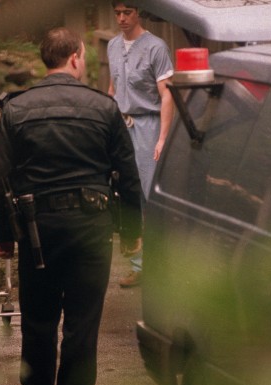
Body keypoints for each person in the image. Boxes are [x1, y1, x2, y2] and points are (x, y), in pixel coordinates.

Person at [0, 27, 143, 385]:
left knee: (37, 321)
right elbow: (127, 174)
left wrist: (1, 234)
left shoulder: (16, 109)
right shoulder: (103, 107)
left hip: (37, 228)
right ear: (75, 57)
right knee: (81, 323)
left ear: (45, 60)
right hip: (90, 227)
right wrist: (131, 230)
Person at [107, 1, 174, 288]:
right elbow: (113, 87)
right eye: (118, 13)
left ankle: (163, 266)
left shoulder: (155, 47)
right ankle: (138, 264)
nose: (122, 19)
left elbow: (167, 94)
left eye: (128, 13)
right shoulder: (112, 46)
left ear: (138, 13)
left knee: (150, 195)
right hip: (122, 124)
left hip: (148, 124)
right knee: (127, 195)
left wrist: (162, 137)